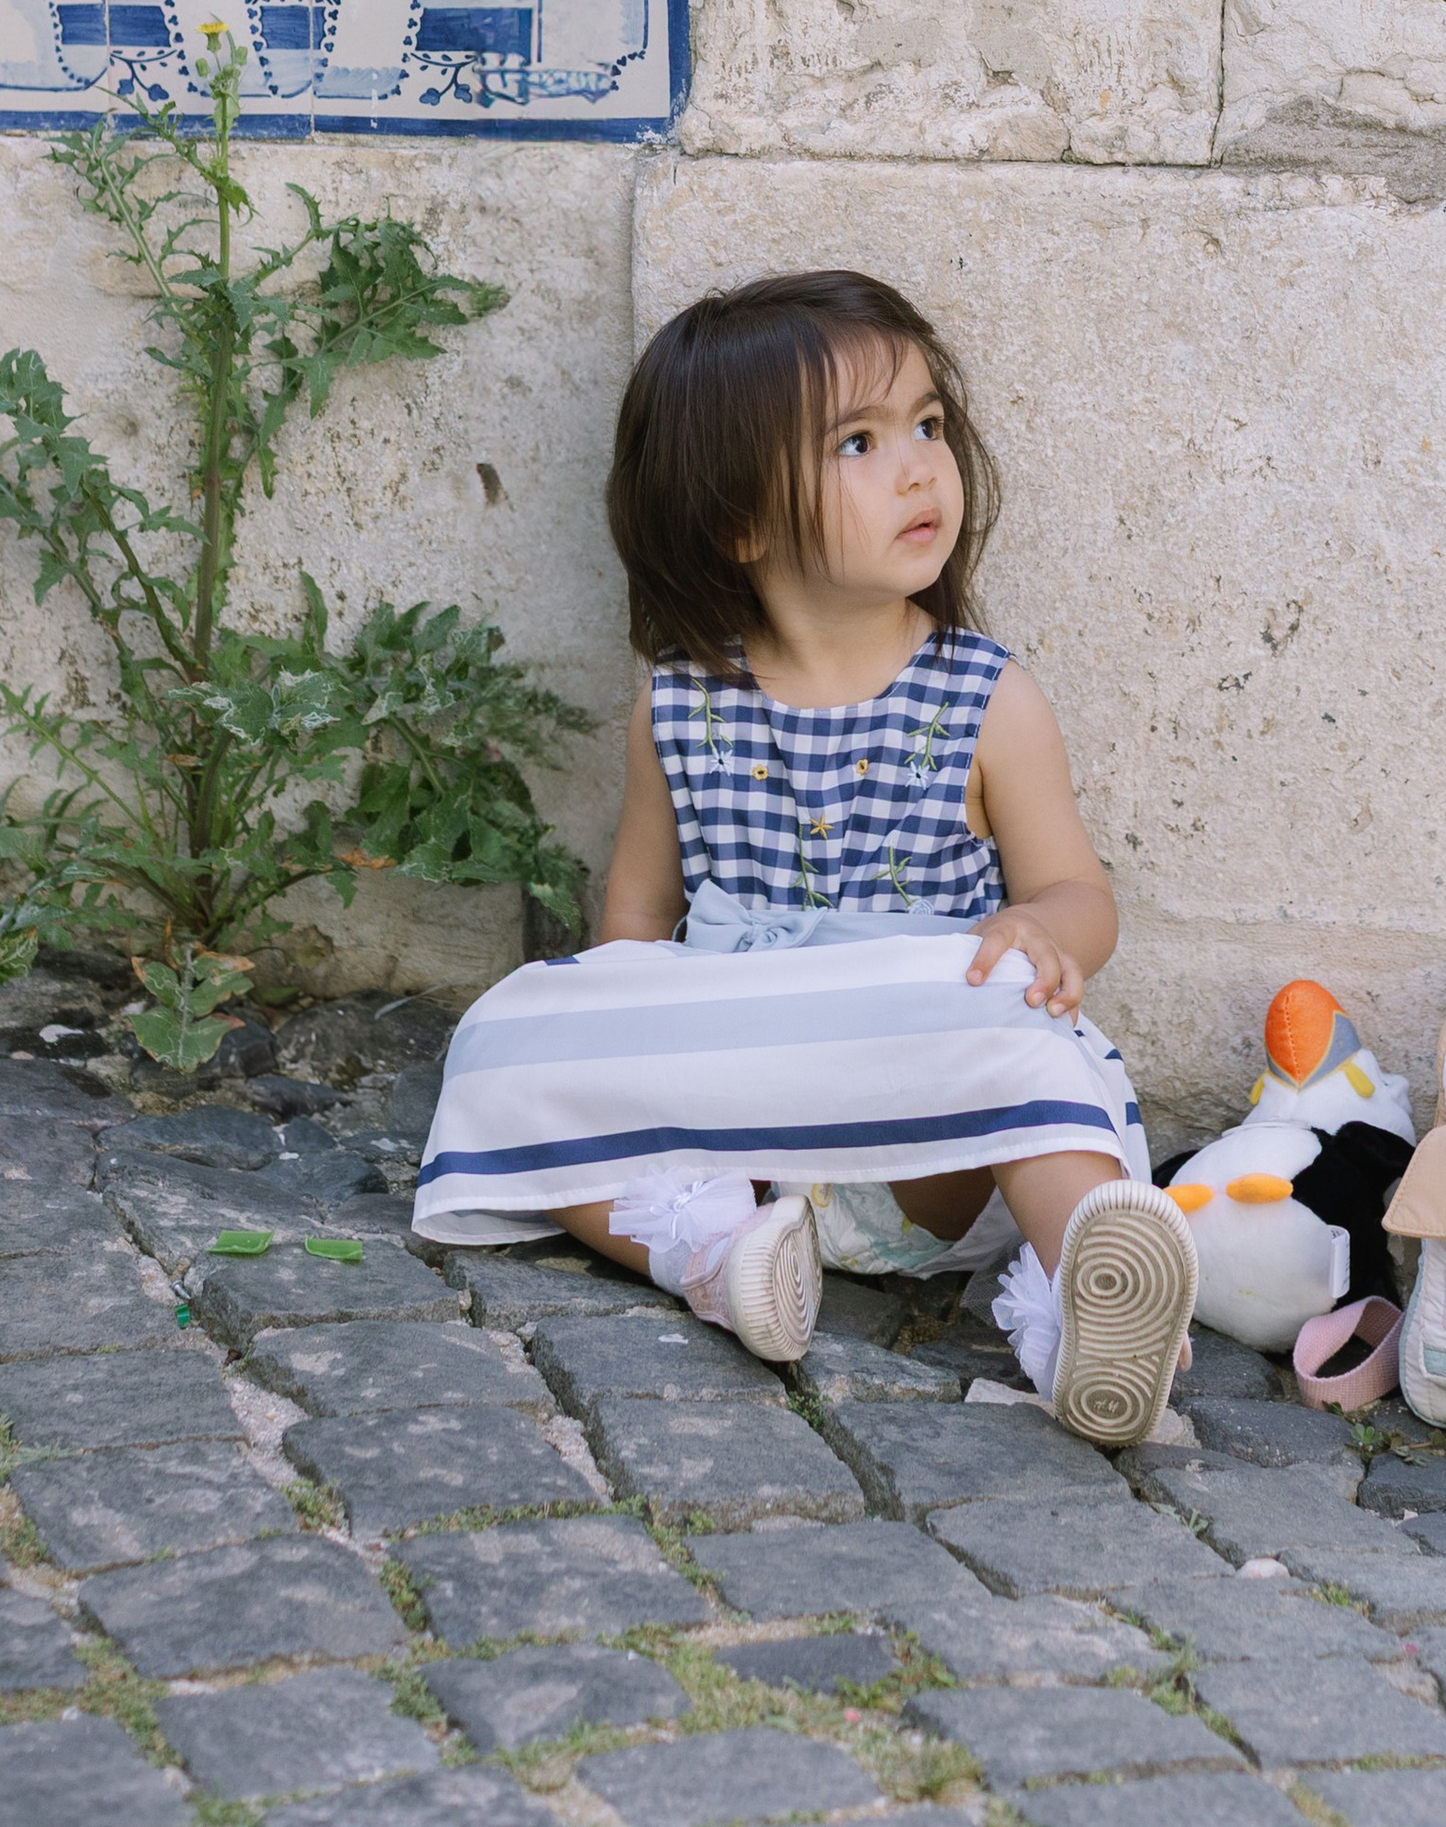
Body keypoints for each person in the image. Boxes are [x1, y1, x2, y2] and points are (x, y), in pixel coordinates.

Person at [414, 268, 1199, 1444]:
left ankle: (1083, 1294)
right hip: (742, 1137)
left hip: (929, 1132)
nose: (921, 465)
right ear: (741, 520)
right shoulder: (680, 706)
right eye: (860, 443)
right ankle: (713, 1255)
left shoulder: (984, 698)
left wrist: (1042, 936)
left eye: (928, 426)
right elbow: (631, 934)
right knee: (502, 1036)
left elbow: (1078, 893)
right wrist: (617, 1041)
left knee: (1022, 1030)